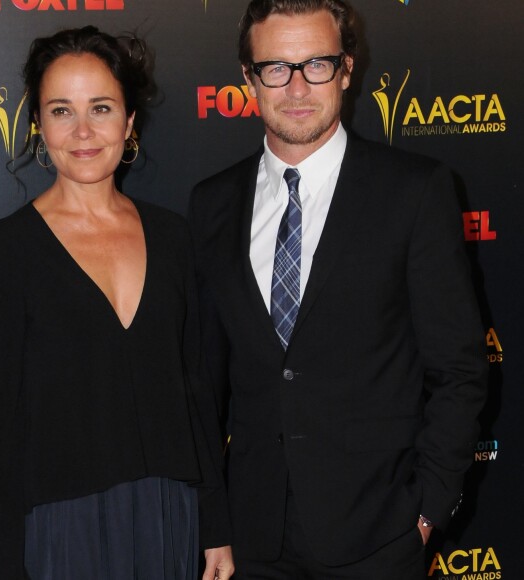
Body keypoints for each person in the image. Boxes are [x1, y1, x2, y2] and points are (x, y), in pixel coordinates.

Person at [188, 1, 488, 578]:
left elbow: (460, 369)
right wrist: (214, 523)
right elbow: (204, 385)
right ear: (247, 80)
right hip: (253, 540)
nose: (297, 87)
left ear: (347, 70)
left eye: (317, 64)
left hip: (379, 536)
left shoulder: (415, 191)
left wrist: (426, 511)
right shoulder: (212, 203)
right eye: (276, 67)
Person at [0, 26, 234, 580]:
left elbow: (197, 393)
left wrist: (215, 527)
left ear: (129, 121)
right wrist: (1, 561)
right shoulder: (10, 248)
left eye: (102, 107)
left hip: (170, 516)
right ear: (39, 125)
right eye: (62, 111)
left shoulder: (173, 237)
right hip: (63, 529)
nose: (84, 131)